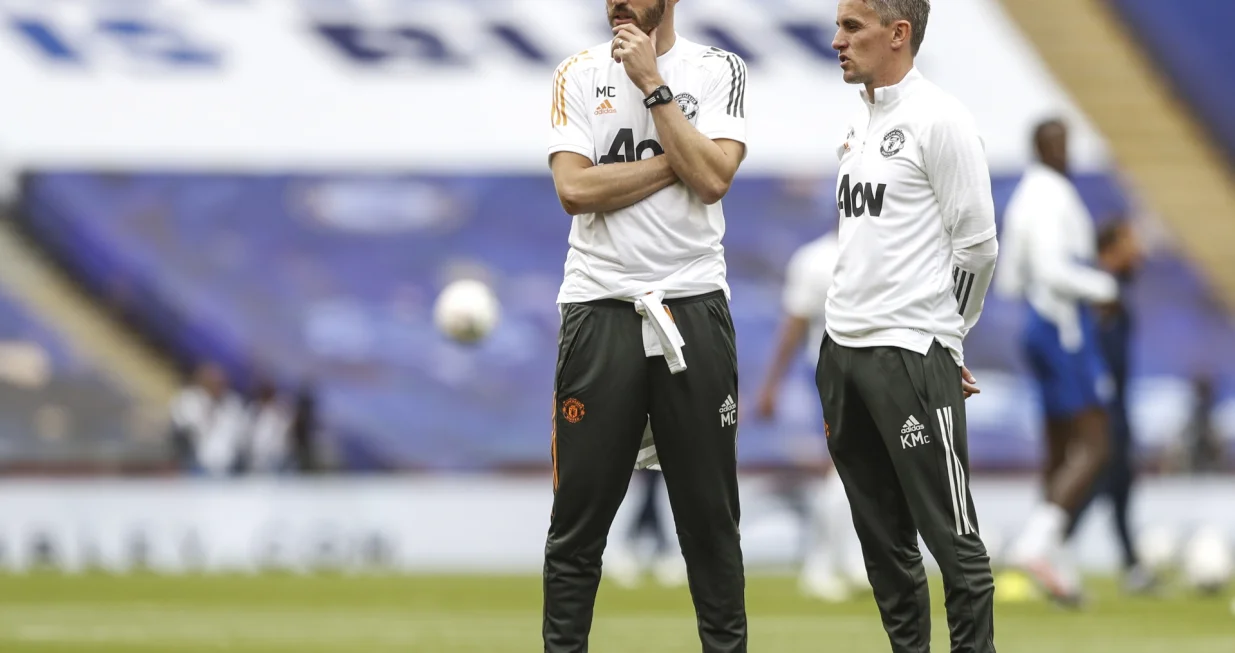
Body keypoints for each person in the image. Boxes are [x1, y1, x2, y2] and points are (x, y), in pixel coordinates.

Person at [543, 0, 749, 650]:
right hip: (599, 307)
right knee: (577, 524)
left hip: (691, 306)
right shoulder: (575, 73)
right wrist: (676, 162)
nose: (616, 4)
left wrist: (652, 85)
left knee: (709, 524)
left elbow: (714, 179)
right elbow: (573, 190)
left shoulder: (718, 69)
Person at [821, 1, 999, 651]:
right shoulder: (857, 121)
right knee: (882, 545)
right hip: (841, 352)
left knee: (953, 544)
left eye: (851, 28)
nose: (835, 40)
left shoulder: (941, 120)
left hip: (909, 353)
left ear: (897, 35)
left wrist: (947, 338)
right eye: (838, 26)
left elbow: (976, 248)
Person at [998, 118, 1117, 605]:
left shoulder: (1026, 196)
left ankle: (1056, 565)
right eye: (1060, 145)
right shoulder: (1050, 197)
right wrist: (1104, 288)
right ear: (1044, 148)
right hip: (1062, 328)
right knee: (1095, 444)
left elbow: (1010, 278)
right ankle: (1034, 544)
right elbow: (1051, 269)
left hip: (1038, 325)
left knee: (1059, 450)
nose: (1066, 153)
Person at [754, 229, 864, 602]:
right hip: (836, 373)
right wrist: (771, 384)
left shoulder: (881, 246)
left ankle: (850, 561)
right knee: (844, 468)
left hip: (873, 374)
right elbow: (794, 325)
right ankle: (820, 565)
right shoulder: (817, 259)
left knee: (863, 471)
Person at [1063, 220, 1158, 593]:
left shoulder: (1111, 290)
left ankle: (1131, 564)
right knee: (1101, 479)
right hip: (1103, 407)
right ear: (1111, 249)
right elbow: (1090, 354)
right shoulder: (1099, 293)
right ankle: (1051, 543)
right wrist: (1098, 403)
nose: (1141, 251)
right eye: (1131, 242)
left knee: (1119, 484)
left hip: (1115, 403)